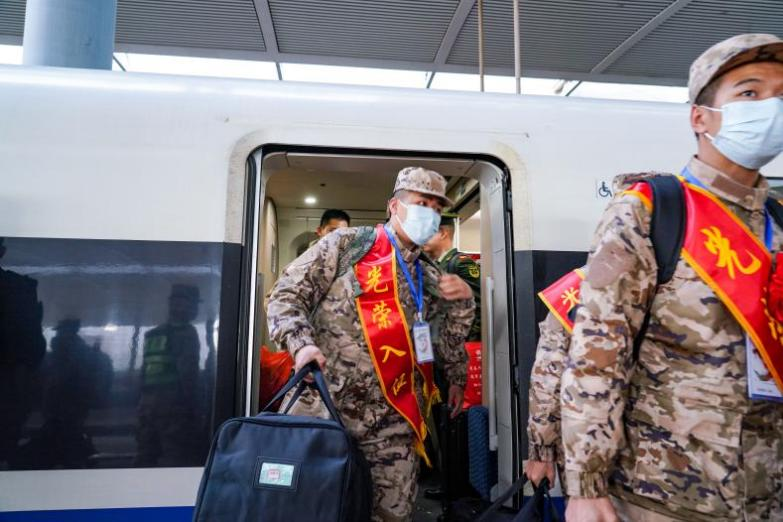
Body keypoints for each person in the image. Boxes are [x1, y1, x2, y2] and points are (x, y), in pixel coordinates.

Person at [561, 34, 783, 521]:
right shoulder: (650, 211)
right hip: (665, 495)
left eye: (780, 95)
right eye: (749, 92)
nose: (771, 107)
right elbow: (598, 353)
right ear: (700, 118)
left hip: (769, 492)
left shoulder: (777, 222)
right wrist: (586, 484)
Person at [267, 166, 475, 521]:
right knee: (314, 510)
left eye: (437, 208)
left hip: (392, 420)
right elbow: (286, 296)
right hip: (327, 406)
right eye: (421, 203)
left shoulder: (429, 274)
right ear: (394, 206)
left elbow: (441, 339)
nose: (430, 213)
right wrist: (301, 345)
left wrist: (463, 306)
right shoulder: (347, 245)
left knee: (392, 512)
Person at [525, 267, 585, 497]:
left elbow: (549, 375)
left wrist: (541, 452)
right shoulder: (690, 271)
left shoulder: (583, 284)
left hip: (591, 453)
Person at [136, 284, 203, 467]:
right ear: (184, 305)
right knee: (177, 459)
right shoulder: (187, 334)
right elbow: (188, 374)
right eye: (193, 304)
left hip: (147, 407)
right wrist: (195, 409)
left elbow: (143, 374)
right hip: (174, 409)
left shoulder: (153, 334)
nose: (195, 309)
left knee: (145, 457)